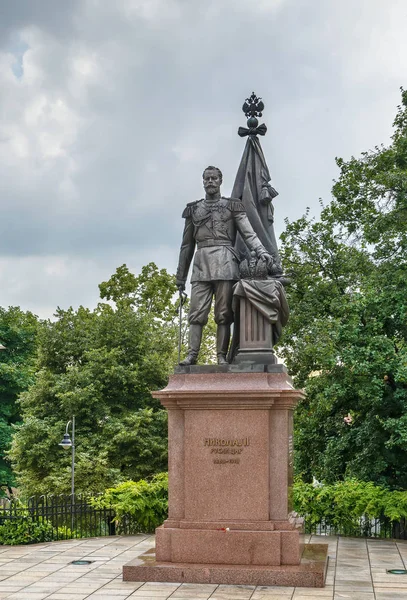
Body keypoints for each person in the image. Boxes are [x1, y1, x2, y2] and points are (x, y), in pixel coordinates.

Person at [176, 166, 274, 365]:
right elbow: (186, 245)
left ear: (221, 181)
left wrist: (262, 251)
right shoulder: (193, 209)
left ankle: (221, 356)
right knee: (196, 313)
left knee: (223, 314)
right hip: (201, 264)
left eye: (214, 178)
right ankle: (192, 355)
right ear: (203, 181)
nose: (210, 182)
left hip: (225, 262)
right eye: (207, 179)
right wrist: (180, 277)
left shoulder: (232, 206)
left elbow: (248, 233)